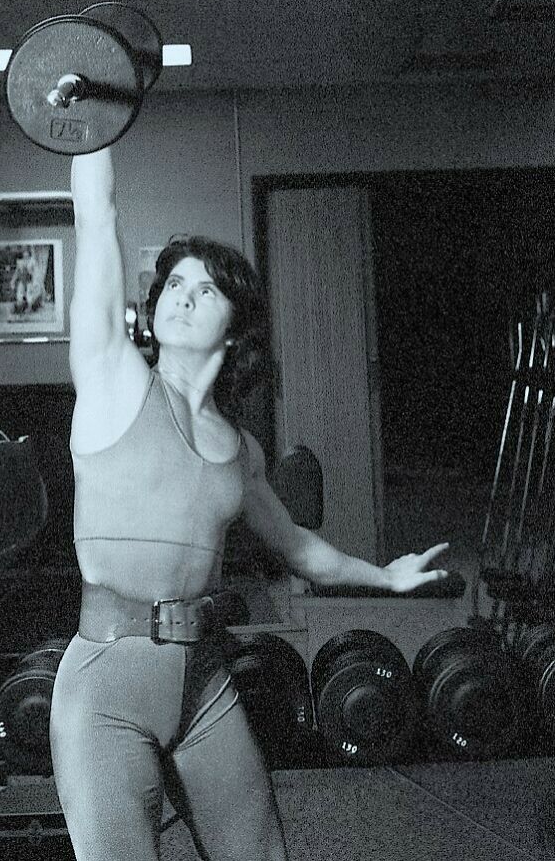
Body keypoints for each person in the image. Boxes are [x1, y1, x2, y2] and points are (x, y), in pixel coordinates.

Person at [49, 147, 449, 861]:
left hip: (201, 680)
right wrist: (91, 122)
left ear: (235, 327)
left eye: (205, 289)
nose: (182, 294)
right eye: (173, 282)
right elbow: (95, 215)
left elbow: (298, 549)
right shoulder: (113, 378)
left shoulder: (239, 449)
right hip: (105, 683)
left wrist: (386, 577)